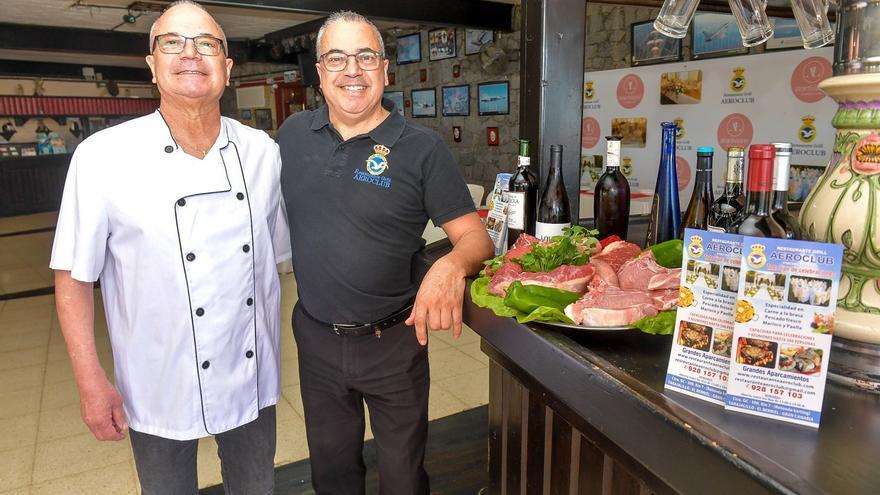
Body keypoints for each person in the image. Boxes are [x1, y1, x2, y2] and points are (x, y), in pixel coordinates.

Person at [49, 1, 290, 493]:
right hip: (155, 379)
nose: (190, 54)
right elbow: (74, 275)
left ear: (226, 66)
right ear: (152, 65)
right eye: (172, 43)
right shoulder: (103, 156)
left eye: (207, 44)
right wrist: (90, 379)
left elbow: (277, 261)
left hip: (251, 376)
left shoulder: (263, 151)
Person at [276, 11, 493, 495]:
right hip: (316, 339)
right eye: (337, 57)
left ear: (385, 69)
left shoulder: (422, 148)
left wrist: (450, 265)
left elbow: (477, 238)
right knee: (331, 476)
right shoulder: (292, 136)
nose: (352, 70)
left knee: (402, 478)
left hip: (394, 343)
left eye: (365, 57)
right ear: (319, 70)